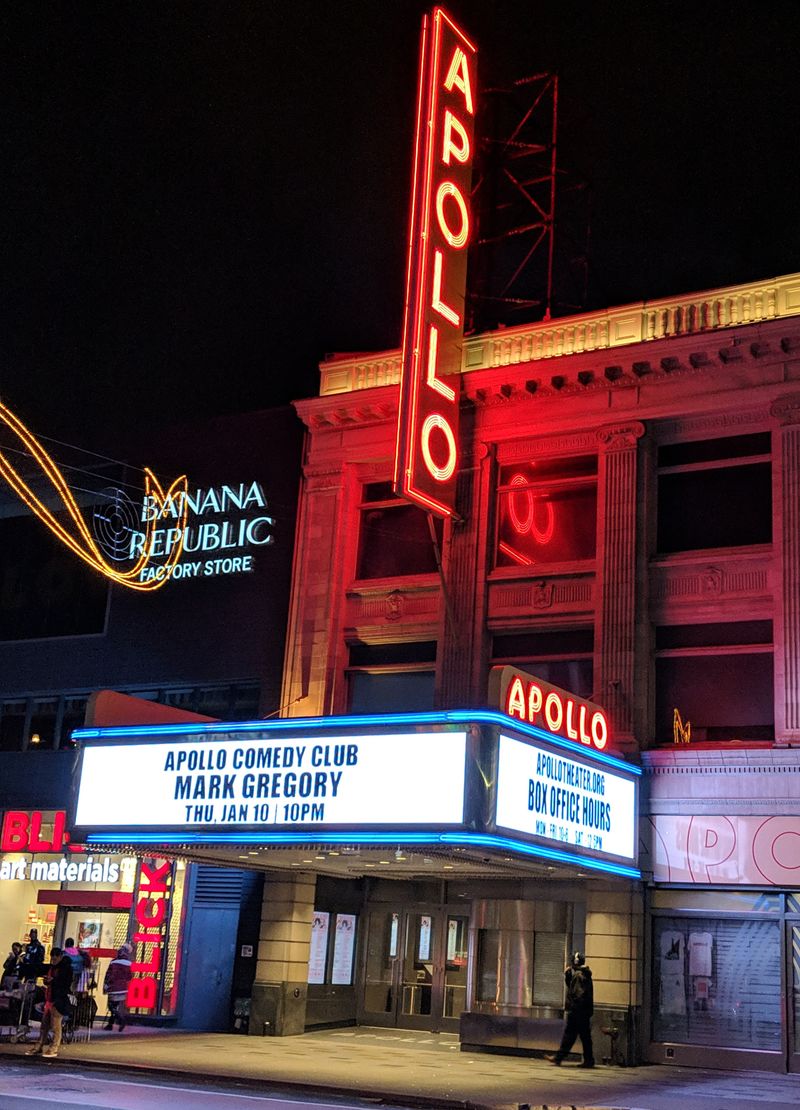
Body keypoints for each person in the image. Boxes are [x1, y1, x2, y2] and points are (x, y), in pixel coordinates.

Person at [548, 951, 595, 1068]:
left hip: (577, 1012)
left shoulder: (578, 976)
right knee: (584, 1037)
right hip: (583, 1012)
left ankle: (559, 1058)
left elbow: (577, 993)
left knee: (570, 1035)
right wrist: (568, 977)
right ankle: (588, 1060)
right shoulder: (584, 974)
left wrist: (573, 1009)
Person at [25, 947, 73, 1058]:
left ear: (60, 956)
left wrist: (53, 981)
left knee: (56, 1025)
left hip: (58, 999)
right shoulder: (53, 968)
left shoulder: (66, 969)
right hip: (50, 998)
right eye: (52, 958)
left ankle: (53, 1047)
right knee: (45, 1025)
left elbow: (66, 983)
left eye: (55, 958)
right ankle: (40, 1045)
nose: (53, 960)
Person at [102, 943, 133, 1031]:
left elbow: (108, 975)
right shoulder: (128, 964)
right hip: (123, 988)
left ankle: (119, 1020)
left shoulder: (113, 962)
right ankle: (111, 1024)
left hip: (113, 987)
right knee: (116, 1006)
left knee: (111, 1006)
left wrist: (105, 985)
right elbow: (129, 977)